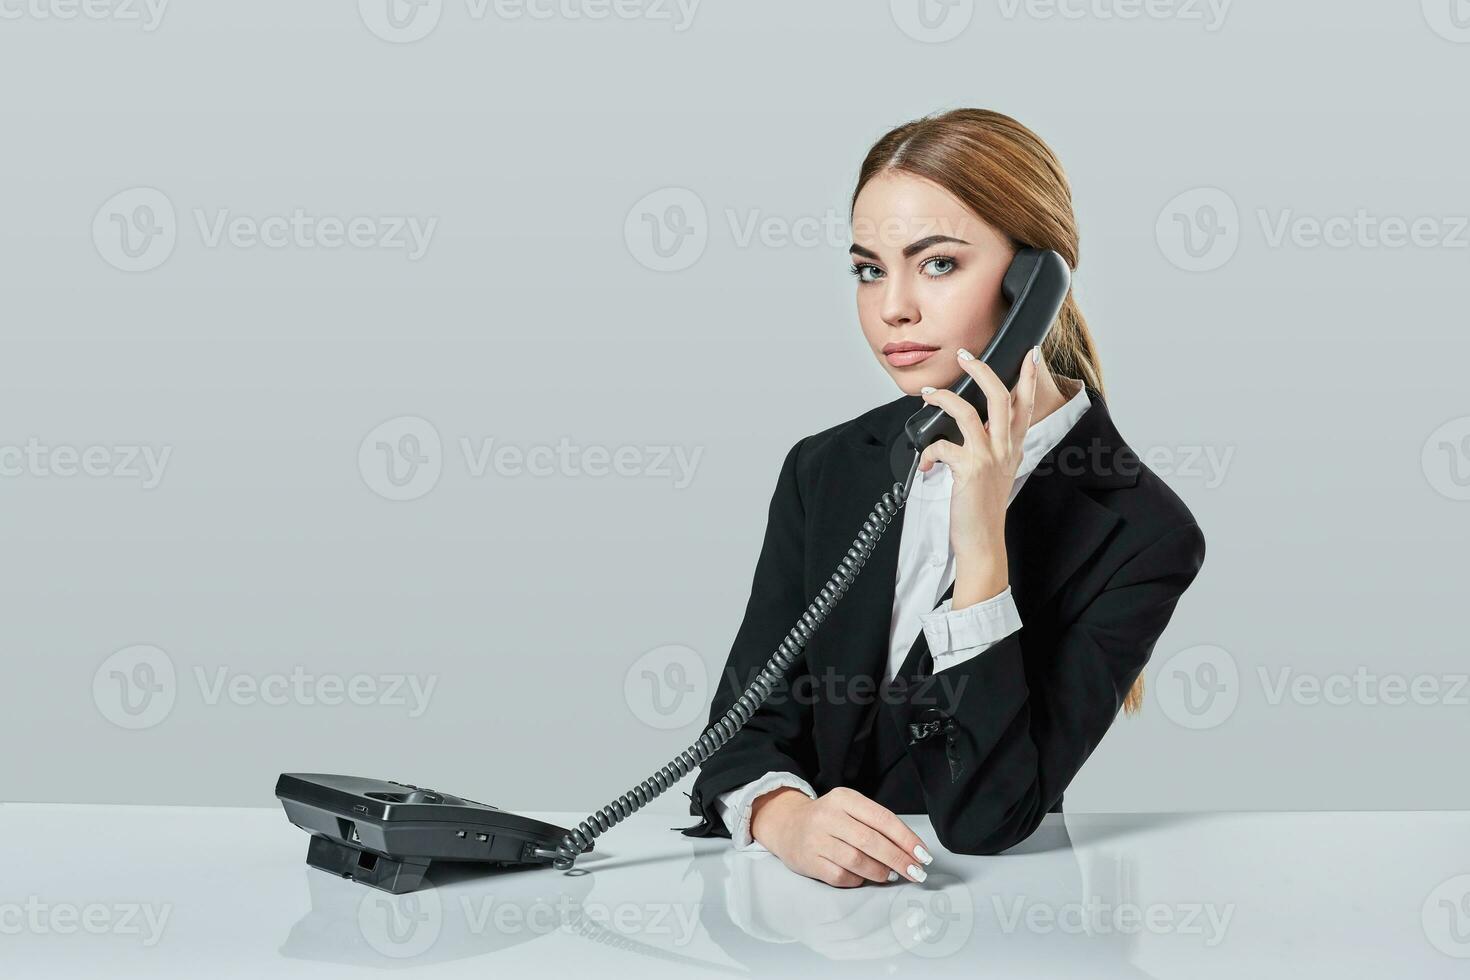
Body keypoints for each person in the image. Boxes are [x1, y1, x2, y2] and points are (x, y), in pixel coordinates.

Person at [678, 108, 1207, 888]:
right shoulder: (827, 468)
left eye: (936, 264)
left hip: (998, 921)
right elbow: (740, 733)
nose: (892, 306)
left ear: (1037, 282)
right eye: (868, 269)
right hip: (801, 926)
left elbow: (988, 818)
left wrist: (982, 545)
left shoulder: (1142, 531)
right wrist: (786, 820)